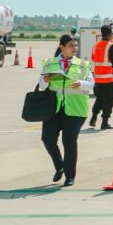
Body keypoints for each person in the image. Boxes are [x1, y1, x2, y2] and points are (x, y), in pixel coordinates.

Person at [39, 34, 94, 187]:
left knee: (69, 141)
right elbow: (42, 86)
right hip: (54, 109)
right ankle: (60, 166)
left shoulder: (83, 64)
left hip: (75, 109)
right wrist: (45, 80)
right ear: (62, 47)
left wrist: (81, 83)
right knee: (47, 139)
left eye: (76, 45)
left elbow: (91, 84)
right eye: (71, 45)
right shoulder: (49, 63)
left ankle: (70, 176)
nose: (74, 48)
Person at [89, 25, 113, 129]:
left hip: (98, 78)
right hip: (109, 78)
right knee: (110, 100)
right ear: (110, 34)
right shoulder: (111, 46)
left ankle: (94, 116)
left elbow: (94, 59)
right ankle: (105, 122)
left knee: (100, 98)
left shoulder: (96, 46)